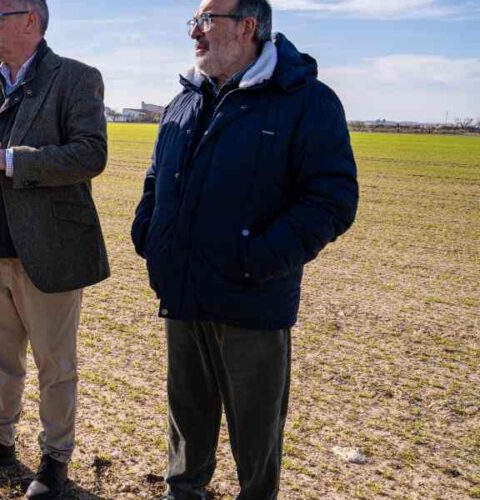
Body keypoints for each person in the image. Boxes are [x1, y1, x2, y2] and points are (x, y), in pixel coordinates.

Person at [131, 0, 359, 497]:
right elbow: (155, 180)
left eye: (207, 19)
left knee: (256, 437)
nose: (195, 31)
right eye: (193, 20)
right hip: (183, 293)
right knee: (187, 422)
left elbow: (332, 199)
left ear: (249, 27)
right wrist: (149, 236)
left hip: (252, 303)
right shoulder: (184, 100)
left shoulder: (306, 101)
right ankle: (183, 491)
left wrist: (257, 258)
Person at [0, 1, 110, 498]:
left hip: (48, 253)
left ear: (30, 21)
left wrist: (10, 160)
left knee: (55, 366)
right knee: (0, 358)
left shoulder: (77, 79)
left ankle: (55, 461)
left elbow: (90, 153)